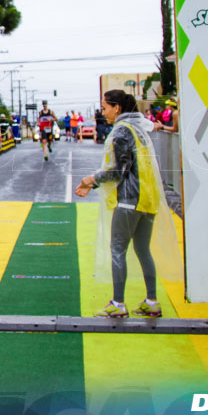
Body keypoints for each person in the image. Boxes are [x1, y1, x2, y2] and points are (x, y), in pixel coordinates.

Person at [74, 89, 166, 318]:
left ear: (117, 108)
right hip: (147, 198)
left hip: (128, 200)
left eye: (105, 107)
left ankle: (118, 303)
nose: (102, 112)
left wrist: (90, 179)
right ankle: (152, 301)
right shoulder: (139, 128)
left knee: (117, 250)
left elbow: (118, 170)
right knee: (143, 250)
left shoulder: (122, 132)